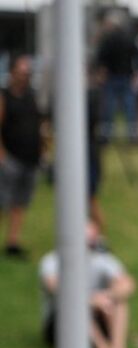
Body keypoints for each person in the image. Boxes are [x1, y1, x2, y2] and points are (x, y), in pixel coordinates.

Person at [39, 221, 136, 348]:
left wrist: (107, 296)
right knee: (75, 307)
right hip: (60, 327)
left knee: (119, 302)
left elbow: (127, 284)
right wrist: (90, 301)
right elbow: (55, 287)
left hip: (98, 316)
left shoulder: (102, 259)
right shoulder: (53, 260)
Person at [0, 54, 43, 259]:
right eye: (21, 72)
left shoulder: (31, 96)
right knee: (3, 202)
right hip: (11, 158)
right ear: (12, 73)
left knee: (20, 202)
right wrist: (2, 156)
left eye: (27, 73)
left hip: (31, 159)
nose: (25, 76)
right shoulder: (4, 97)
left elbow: (38, 124)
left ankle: (13, 242)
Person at [94, 12, 138, 143]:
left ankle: (105, 137)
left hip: (112, 79)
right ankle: (134, 137)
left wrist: (100, 75)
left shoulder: (107, 40)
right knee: (130, 110)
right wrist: (137, 74)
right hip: (126, 78)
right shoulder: (128, 38)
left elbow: (100, 60)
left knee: (108, 110)